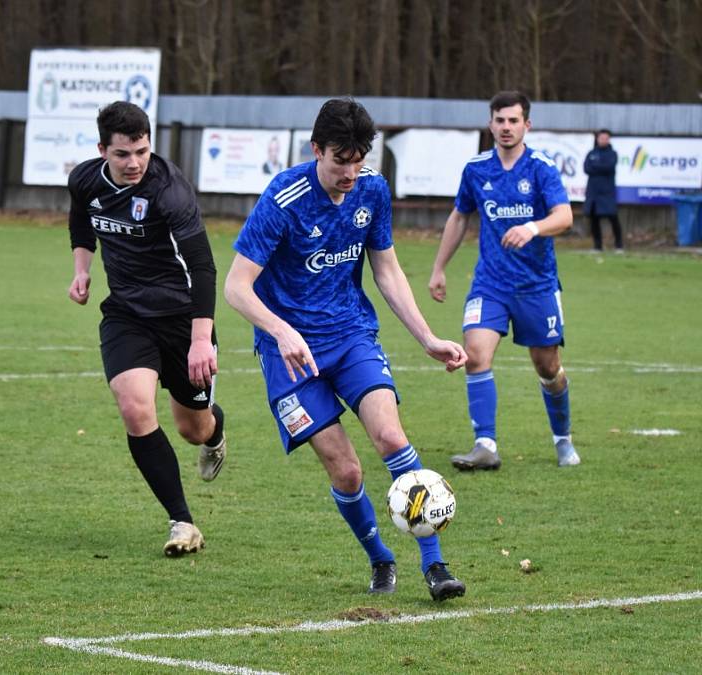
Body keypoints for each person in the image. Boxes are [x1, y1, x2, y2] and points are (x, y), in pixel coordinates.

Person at [225, 97, 468, 602]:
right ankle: (380, 558)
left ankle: (435, 565)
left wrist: (427, 337)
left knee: (389, 437)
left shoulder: (372, 191)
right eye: (340, 160)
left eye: (359, 159)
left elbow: (386, 269)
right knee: (348, 469)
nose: (350, 172)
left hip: (351, 335)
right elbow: (236, 287)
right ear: (316, 149)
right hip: (288, 355)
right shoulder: (283, 198)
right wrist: (280, 330)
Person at [67, 101, 227, 556]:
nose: (134, 162)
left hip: (182, 319)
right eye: (122, 154)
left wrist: (200, 341)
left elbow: (202, 266)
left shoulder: (169, 191)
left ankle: (215, 432)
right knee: (135, 408)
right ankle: (183, 522)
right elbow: (81, 220)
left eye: (141, 150)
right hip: (127, 315)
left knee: (192, 429)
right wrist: (82, 269)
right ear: (103, 150)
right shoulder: (84, 180)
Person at [428, 90, 581, 471]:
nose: (506, 127)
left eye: (514, 120)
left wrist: (532, 227)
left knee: (547, 367)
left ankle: (563, 438)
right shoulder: (476, 169)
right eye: (500, 120)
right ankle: (485, 445)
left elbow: (564, 217)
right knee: (475, 354)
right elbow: (460, 217)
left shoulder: (541, 168)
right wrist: (438, 267)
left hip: (537, 285)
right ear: (490, 124)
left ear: (526, 125)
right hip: (490, 284)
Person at [583, 129, 623, 252]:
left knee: (613, 218)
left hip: (607, 192)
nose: (603, 140)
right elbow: (587, 168)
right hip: (593, 192)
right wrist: (599, 167)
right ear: (597, 139)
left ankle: (619, 245)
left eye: (606, 138)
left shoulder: (612, 154)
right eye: (601, 138)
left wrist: (596, 166)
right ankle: (597, 246)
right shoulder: (591, 153)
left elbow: (609, 167)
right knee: (594, 220)